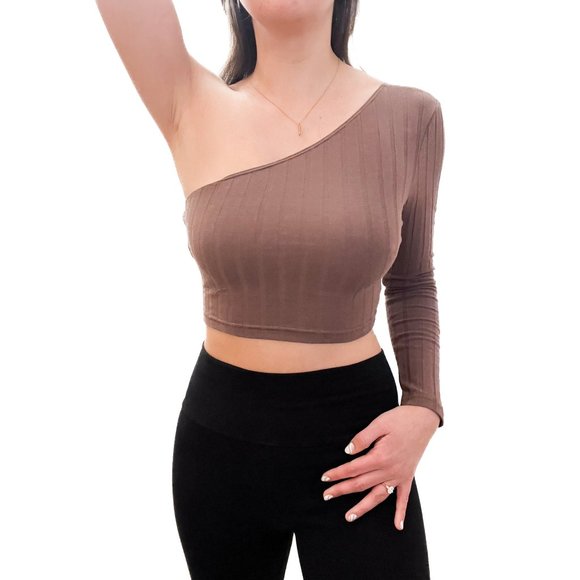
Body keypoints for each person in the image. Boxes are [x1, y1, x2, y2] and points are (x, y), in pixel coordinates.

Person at [95, 0, 446, 578]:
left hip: (359, 440)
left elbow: (411, 281)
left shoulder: (411, 116)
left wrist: (423, 406)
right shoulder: (189, 99)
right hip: (221, 440)